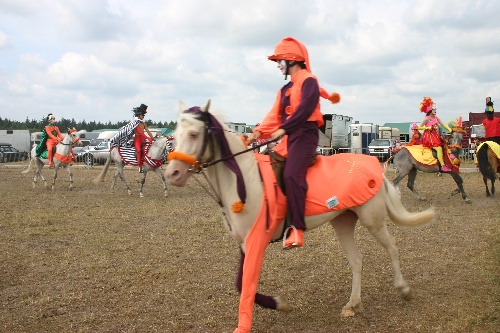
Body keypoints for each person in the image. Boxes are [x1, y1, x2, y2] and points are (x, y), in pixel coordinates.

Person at [246, 37, 340, 249]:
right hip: (289, 138)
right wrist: (257, 132)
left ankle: (298, 229)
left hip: (305, 136)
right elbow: (274, 115)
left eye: (280, 61)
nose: (279, 66)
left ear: (291, 60)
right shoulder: (284, 90)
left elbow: (305, 110)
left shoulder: (309, 81)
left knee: (291, 174)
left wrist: (284, 128)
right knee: (268, 169)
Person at [110, 104, 154, 173]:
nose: (143, 116)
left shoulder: (143, 123)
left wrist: (153, 138)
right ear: (139, 115)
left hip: (143, 140)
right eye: (142, 115)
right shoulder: (135, 123)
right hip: (137, 140)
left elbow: (148, 132)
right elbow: (140, 132)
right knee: (139, 151)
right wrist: (148, 138)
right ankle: (140, 167)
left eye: (144, 115)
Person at [415, 97, 453, 172]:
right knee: (438, 149)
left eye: (436, 109)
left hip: (435, 135)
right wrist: (427, 128)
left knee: (445, 145)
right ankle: (442, 166)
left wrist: (450, 129)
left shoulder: (436, 118)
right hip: (429, 136)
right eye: (434, 110)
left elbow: (443, 124)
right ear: (430, 110)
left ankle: (448, 159)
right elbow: (419, 128)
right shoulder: (426, 119)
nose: (435, 111)